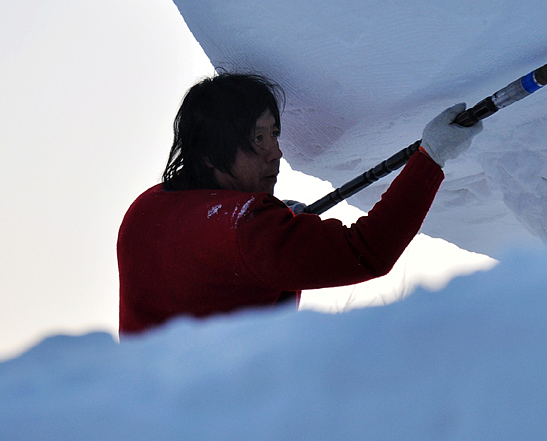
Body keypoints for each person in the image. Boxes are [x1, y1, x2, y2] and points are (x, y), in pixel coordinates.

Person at [116, 72, 482, 335]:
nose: (275, 152)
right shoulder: (247, 230)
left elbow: (208, 252)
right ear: (211, 153)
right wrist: (431, 158)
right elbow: (368, 250)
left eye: (274, 133)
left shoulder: (145, 209)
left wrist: (278, 224)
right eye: (257, 139)